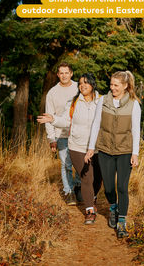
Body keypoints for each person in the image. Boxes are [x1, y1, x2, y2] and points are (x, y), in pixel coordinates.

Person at [38, 73, 102, 225]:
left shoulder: (101, 101)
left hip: (98, 147)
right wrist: (53, 119)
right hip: (77, 146)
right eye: (80, 83)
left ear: (92, 84)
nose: (82, 86)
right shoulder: (74, 102)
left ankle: (92, 197)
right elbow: (66, 121)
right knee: (87, 177)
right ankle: (89, 211)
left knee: (98, 178)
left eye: (86, 83)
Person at [85, 70, 141, 238]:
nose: (113, 87)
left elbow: (136, 130)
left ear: (125, 86)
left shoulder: (133, 104)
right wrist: (90, 148)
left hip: (125, 151)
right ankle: (113, 208)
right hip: (105, 150)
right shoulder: (103, 101)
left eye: (116, 85)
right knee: (109, 187)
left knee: (122, 187)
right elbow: (96, 125)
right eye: (111, 84)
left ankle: (122, 222)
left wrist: (135, 153)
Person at [44, 62, 81, 205]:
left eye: (67, 72)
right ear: (58, 75)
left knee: (79, 163)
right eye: (61, 73)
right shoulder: (53, 93)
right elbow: (49, 116)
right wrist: (51, 138)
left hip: (78, 134)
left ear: (71, 73)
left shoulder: (79, 87)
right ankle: (69, 191)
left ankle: (78, 186)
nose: (64, 75)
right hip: (61, 134)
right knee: (66, 164)